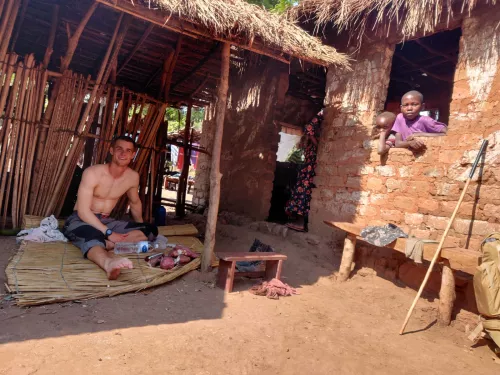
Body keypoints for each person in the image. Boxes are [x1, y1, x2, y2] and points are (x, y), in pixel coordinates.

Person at [63, 135, 158, 280]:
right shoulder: (93, 173)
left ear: (133, 155)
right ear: (111, 150)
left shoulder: (132, 177)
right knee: (91, 237)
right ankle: (108, 263)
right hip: (82, 220)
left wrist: (140, 227)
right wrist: (108, 232)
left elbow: (135, 202)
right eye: (119, 149)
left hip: (107, 221)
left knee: (150, 230)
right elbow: (82, 211)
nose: (123, 153)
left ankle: (108, 244)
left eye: (128, 151)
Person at [285, 110, 323, 232]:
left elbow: (309, 127)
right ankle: (299, 221)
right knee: (300, 194)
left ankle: (301, 223)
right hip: (307, 169)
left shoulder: (314, 141)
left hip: (309, 170)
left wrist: (322, 112)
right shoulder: (310, 143)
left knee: (303, 194)